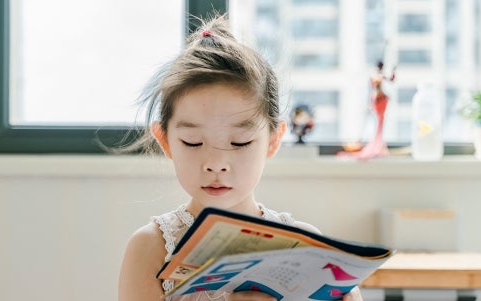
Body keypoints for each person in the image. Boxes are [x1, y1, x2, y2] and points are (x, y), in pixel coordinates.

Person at [118, 15, 363, 301]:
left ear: (273, 141)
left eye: (240, 142)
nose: (216, 163)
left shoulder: (305, 247)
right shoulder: (151, 248)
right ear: (165, 141)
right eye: (193, 142)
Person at [338, 60, 395, 160]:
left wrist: (393, 72)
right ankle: (376, 145)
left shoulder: (377, 77)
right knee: (378, 122)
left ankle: (379, 144)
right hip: (378, 100)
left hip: (380, 99)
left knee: (380, 122)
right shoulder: (376, 77)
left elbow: (391, 80)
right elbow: (380, 84)